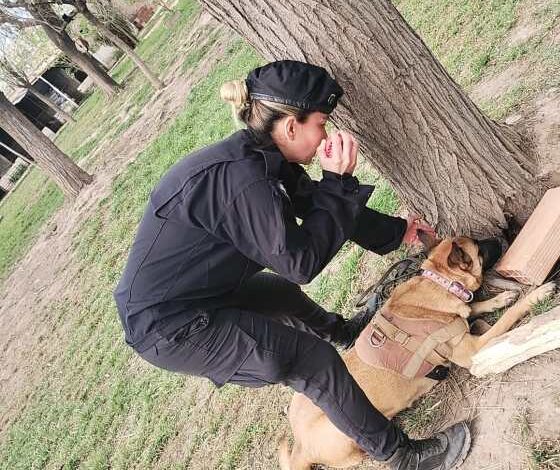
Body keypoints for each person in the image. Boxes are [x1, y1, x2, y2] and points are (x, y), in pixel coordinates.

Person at [114, 60, 471, 469]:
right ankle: (402, 456)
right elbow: (300, 262)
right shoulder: (246, 182)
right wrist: (339, 182)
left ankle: (346, 331)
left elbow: (311, 202)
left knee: (278, 293)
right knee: (312, 362)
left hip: (195, 295)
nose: (325, 136)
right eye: (322, 124)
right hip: (172, 327)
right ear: (289, 127)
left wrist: (394, 232)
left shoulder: (259, 157)